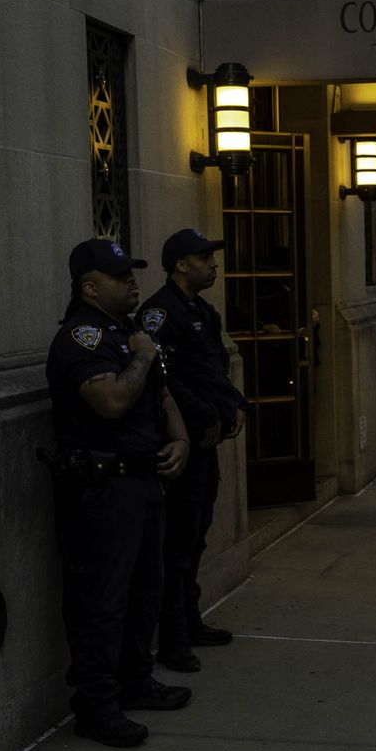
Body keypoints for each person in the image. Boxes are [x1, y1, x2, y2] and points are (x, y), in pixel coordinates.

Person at [44, 238, 194, 749]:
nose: (132, 280)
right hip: (103, 489)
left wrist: (181, 438)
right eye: (118, 275)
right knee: (102, 602)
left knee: (143, 590)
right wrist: (143, 359)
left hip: (143, 479)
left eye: (131, 272)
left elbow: (162, 393)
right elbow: (110, 400)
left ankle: (136, 680)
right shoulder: (81, 337)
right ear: (89, 286)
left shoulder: (126, 333)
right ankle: (96, 704)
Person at [139, 228, 242, 674]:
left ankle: (190, 619)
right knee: (177, 540)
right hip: (183, 440)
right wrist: (205, 415)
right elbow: (165, 380)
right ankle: (174, 638)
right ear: (181, 265)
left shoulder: (202, 311)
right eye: (204, 258)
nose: (213, 264)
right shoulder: (160, 313)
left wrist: (235, 404)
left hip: (206, 438)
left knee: (196, 532)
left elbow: (213, 368)